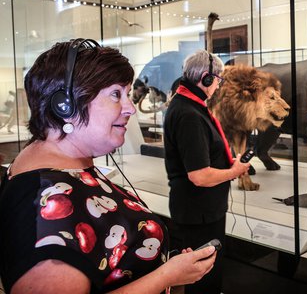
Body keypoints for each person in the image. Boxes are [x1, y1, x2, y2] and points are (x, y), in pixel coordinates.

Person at [0, 39, 216, 294]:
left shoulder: (66, 166)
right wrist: (165, 276)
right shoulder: (45, 209)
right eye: (116, 94)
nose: (130, 109)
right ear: (65, 105)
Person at [163, 49, 251, 294]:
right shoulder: (189, 115)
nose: (218, 86)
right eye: (218, 80)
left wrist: (227, 161)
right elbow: (199, 176)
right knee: (203, 278)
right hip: (199, 212)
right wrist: (235, 171)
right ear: (206, 78)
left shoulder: (189, 106)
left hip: (200, 210)